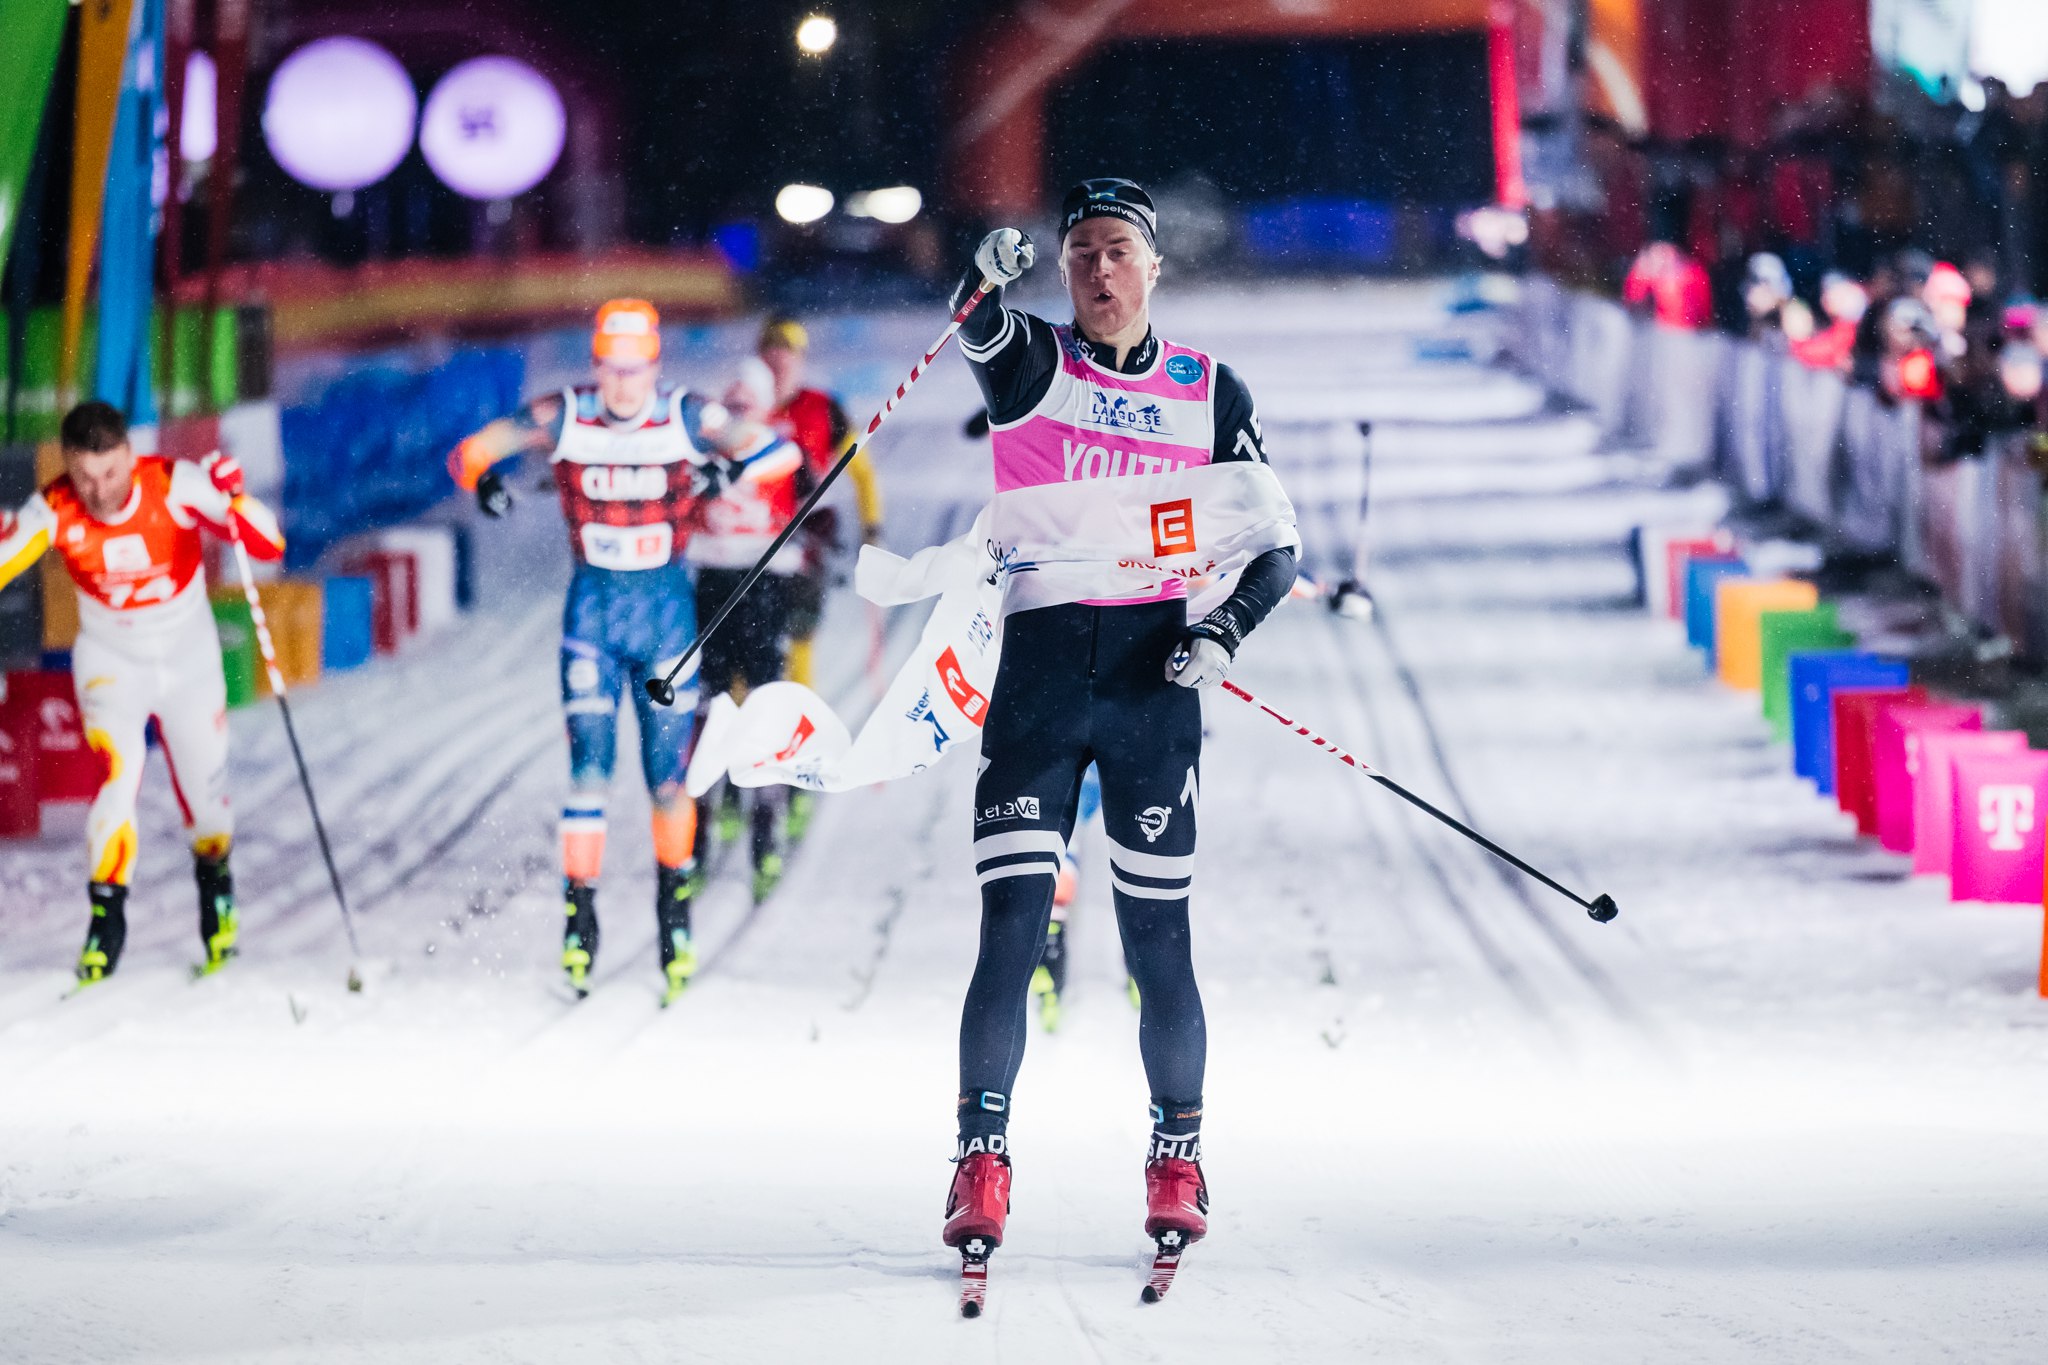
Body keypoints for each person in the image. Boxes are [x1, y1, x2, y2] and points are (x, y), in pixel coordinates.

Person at [939, 179, 1299, 1280]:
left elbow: (1275, 547)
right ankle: (979, 1162)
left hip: (1152, 689)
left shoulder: (1207, 391)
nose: (1100, 269)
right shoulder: (1031, 364)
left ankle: (1177, 1160)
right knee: (1011, 931)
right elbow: (974, 322)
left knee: (1158, 944)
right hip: (1039, 689)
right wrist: (982, 273)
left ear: (1154, 266)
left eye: (1118, 250)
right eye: (1081, 252)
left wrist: (1222, 632)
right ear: (1061, 268)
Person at [447, 299, 744, 1003]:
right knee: (588, 777)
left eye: (633, 371)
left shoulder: (684, 415)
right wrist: (483, 482)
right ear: (596, 365)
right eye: (610, 369)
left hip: (668, 625)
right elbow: (467, 453)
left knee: (668, 781)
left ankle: (676, 925)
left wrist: (731, 473)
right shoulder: (565, 414)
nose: (621, 385)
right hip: (592, 621)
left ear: (654, 367)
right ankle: (579, 927)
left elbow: (777, 450)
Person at [0, 401, 285, 983]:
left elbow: (267, 545)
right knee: (118, 773)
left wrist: (236, 499)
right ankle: (106, 923)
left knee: (206, 801)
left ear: (129, 455)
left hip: (189, 663)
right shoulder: (54, 507)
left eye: (110, 472)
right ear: (67, 466)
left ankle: (217, 894)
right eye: (84, 476)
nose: (99, 490)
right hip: (112, 663)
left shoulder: (174, 485)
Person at [756, 316, 884, 841]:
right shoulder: (745, 404)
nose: (778, 361)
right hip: (751, 550)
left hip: (806, 546)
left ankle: (799, 770)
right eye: (771, 352)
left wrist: (871, 525)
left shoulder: (822, 407)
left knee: (798, 655)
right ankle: (748, 773)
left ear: (799, 359)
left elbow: (861, 469)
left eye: (787, 353)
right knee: (749, 664)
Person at [688, 357, 808, 900]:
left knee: (763, 706)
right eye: (731, 404)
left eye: (747, 404)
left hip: (763, 583)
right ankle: (698, 837)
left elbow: (794, 466)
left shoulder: (774, 448)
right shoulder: (705, 450)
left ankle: (765, 836)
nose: (737, 414)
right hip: (713, 581)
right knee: (708, 705)